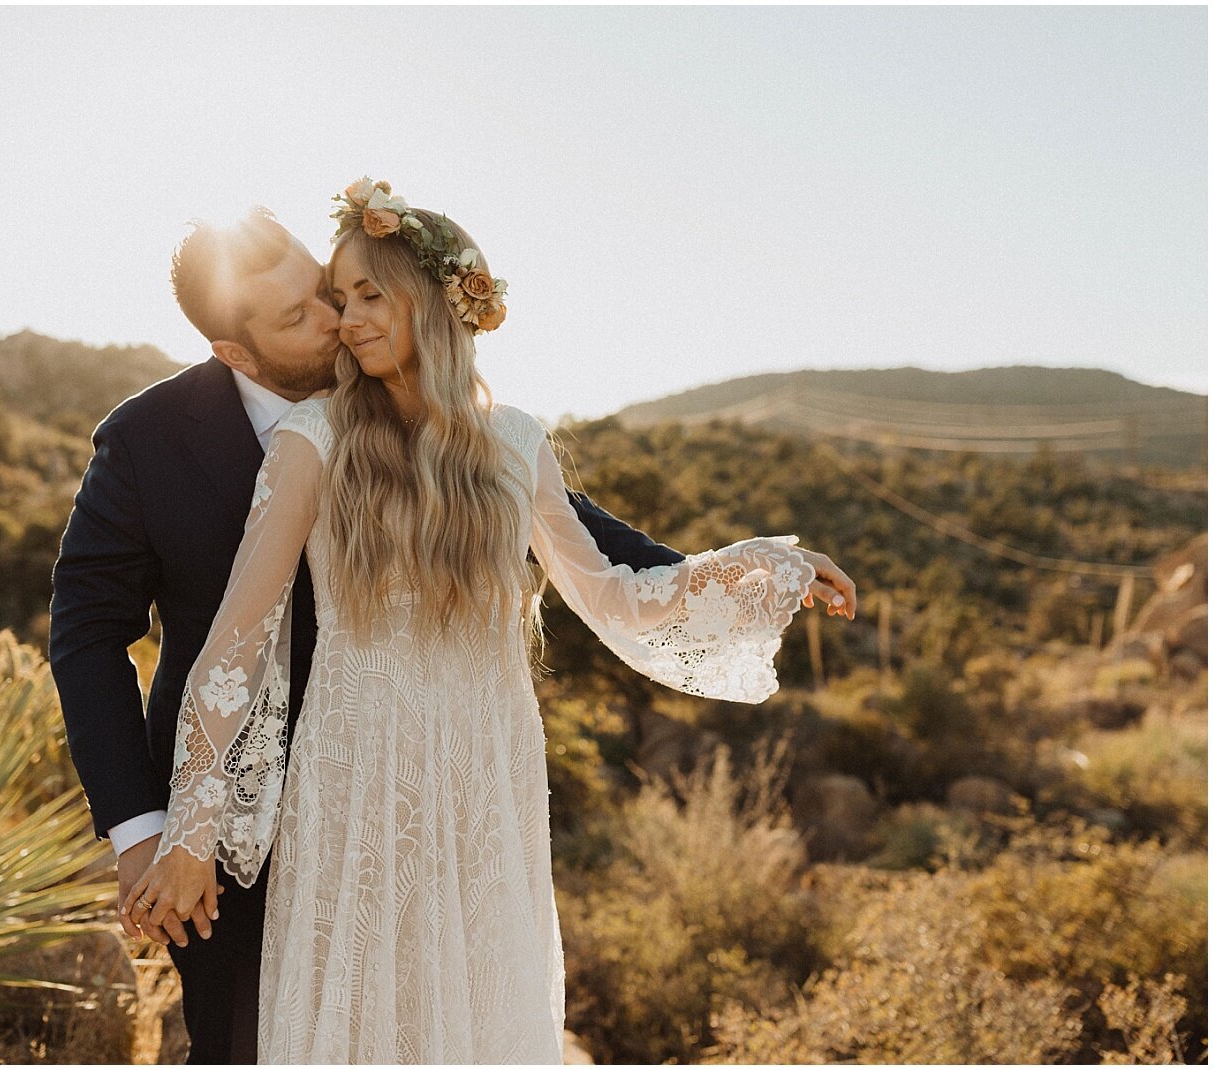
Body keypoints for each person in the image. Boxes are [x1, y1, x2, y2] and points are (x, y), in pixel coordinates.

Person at [125, 179, 858, 1063]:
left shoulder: (515, 442)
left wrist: (765, 568)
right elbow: (234, 647)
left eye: (368, 296)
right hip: (354, 774)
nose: (347, 318)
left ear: (435, 303)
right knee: (356, 1022)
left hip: (485, 773)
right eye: (338, 297)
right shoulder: (312, 438)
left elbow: (615, 593)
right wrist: (190, 837)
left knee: (473, 1019)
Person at [47, 205, 692, 1063]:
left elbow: (551, 515)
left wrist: (724, 576)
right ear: (235, 352)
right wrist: (144, 831)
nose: (333, 320)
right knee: (251, 1045)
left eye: (326, 291)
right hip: (236, 810)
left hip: (430, 790)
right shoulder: (145, 442)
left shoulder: (408, 397)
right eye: (298, 317)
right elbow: (89, 635)